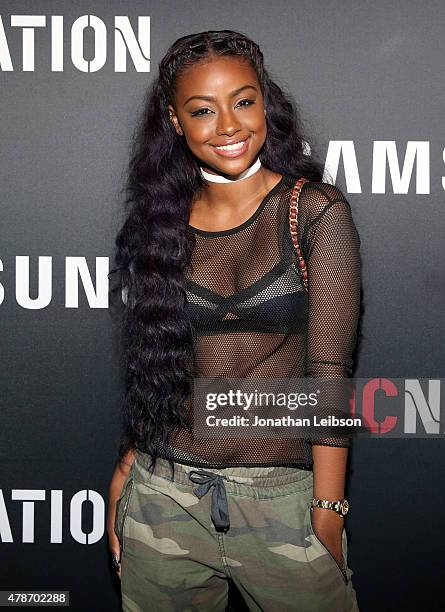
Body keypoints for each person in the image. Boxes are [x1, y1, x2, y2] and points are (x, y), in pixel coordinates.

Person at [107, 30, 361, 612]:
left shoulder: (314, 212)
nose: (228, 125)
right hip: (161, 496)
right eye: (202, 110)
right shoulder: (158, 222)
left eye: (243, 101)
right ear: (175, 121)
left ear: (265, 103)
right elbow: (156, 365)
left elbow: (327, 373)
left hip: (280, 504)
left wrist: (328, 510)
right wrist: (128, 468)